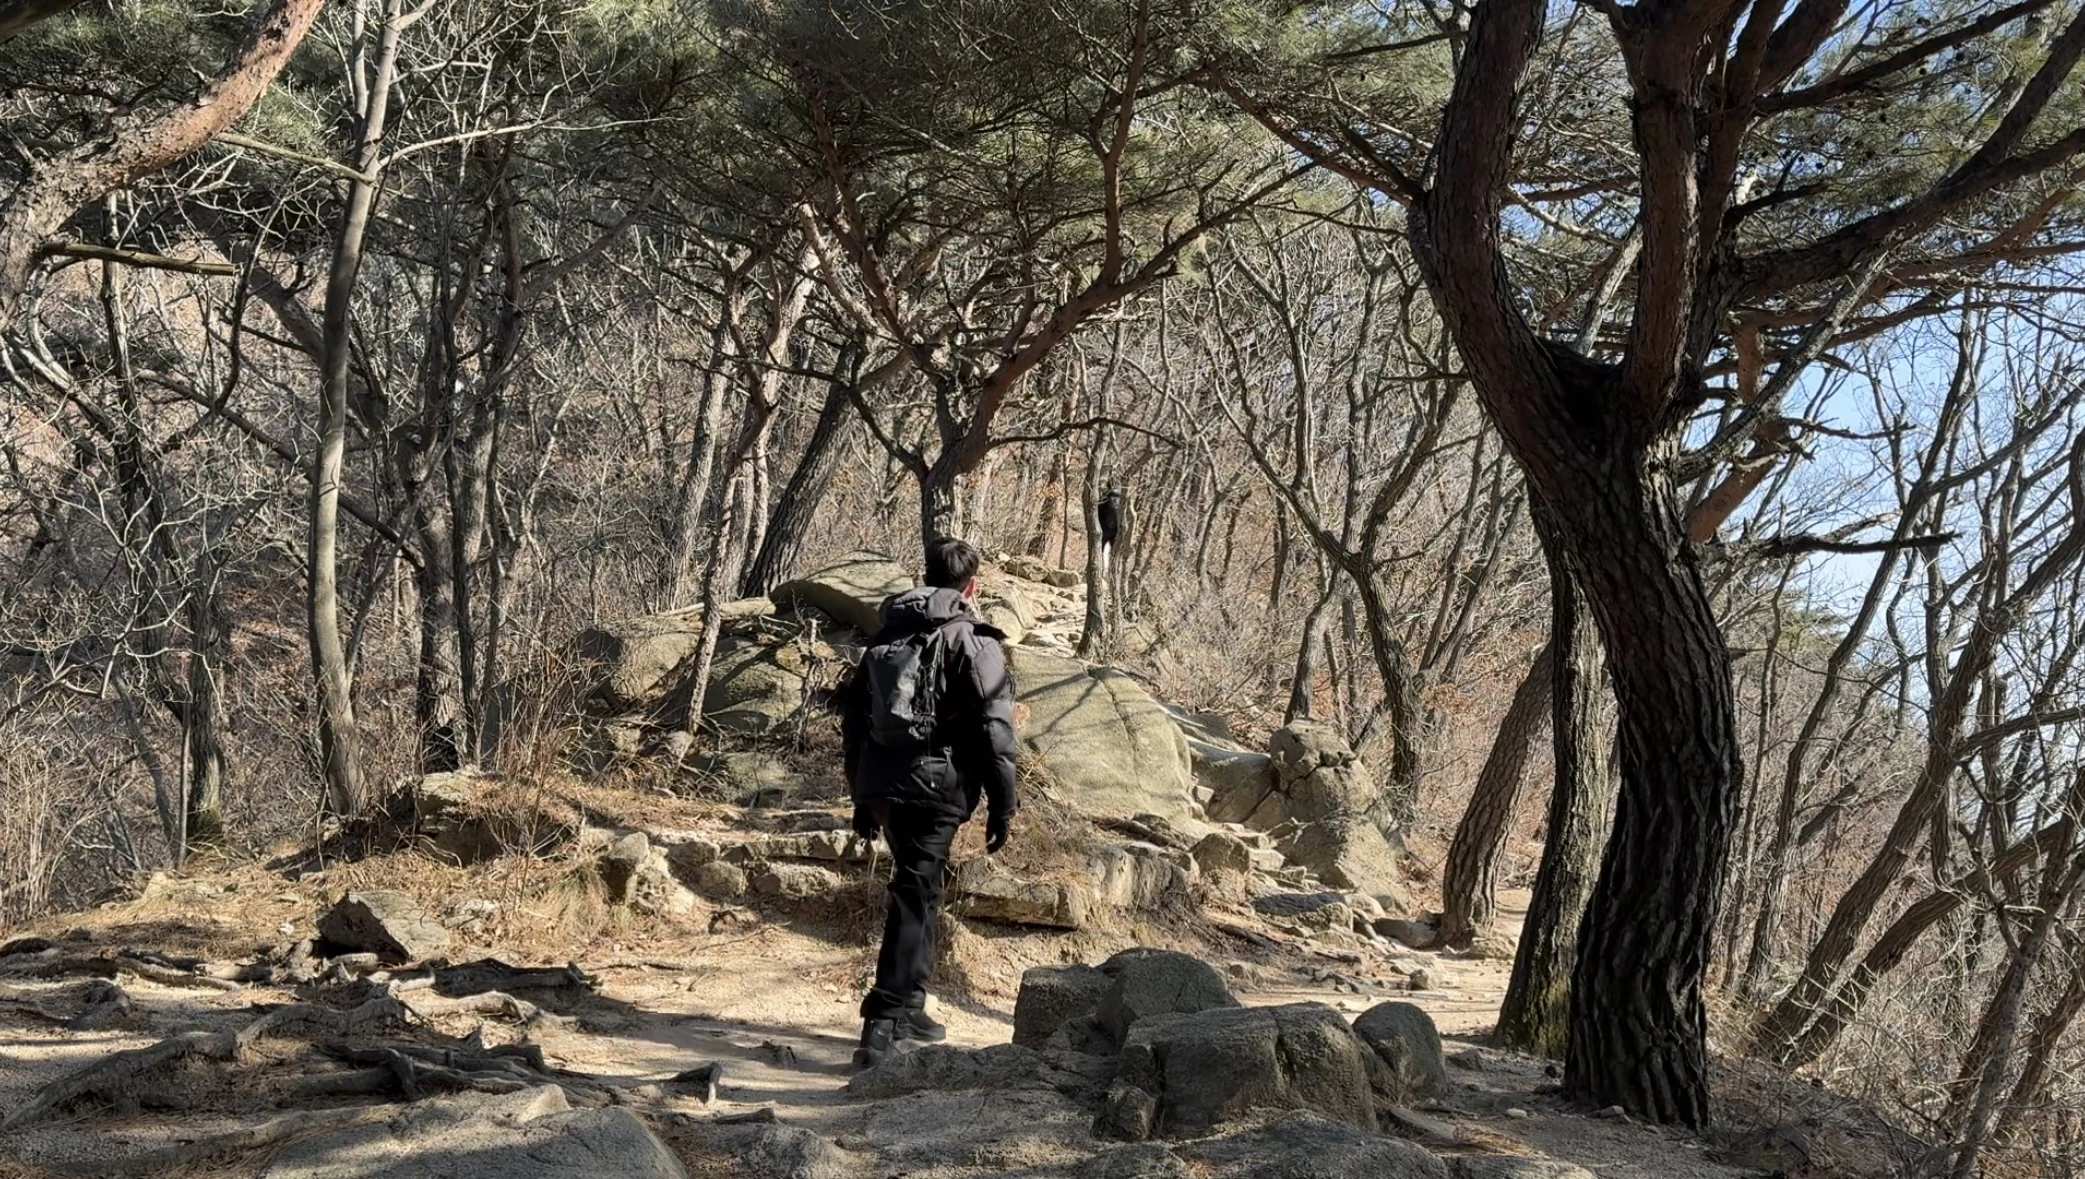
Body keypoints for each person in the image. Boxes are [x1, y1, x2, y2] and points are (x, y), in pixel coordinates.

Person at [839, 536, 1018, 1069]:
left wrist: (861, 796)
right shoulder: (975, 642)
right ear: (972, 586)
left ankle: (911, 1004)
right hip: (938, 787)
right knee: (914, 896)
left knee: (921, 888)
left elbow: (853, 724)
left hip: (884, 788)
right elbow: (995, 728)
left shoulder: (884, 639)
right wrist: (1004, 804)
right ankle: (881, 1024)